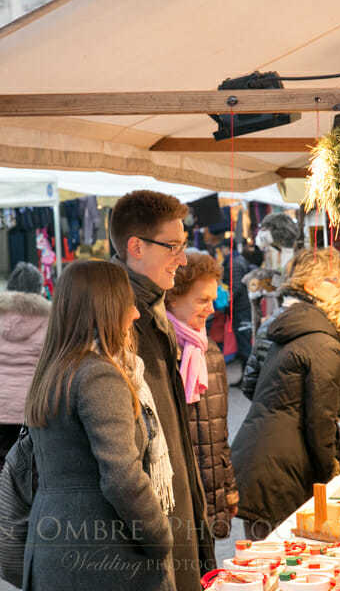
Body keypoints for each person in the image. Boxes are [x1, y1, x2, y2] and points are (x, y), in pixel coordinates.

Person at [23, 261, 174, 591]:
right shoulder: (98, 375)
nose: (135, 314)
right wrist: (160, 535)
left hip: (55, 541)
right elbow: (122, 477)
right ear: (105, 307)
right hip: (101, 550)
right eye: (128, 303)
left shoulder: (56, 369)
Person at [110, 190, 216, 590]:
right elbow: (120, 462)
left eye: (183, 245)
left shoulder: (152, 310)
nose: (183, 258)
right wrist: (157, 532)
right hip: (152, 527)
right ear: (136, 247)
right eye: (173, 246)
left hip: (175, 506)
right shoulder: (119, 319)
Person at [231, 282, 340, 540]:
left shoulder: (305, 332)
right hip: (279, 470)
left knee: (263, 552)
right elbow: (320, 420)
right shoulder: (326, 347)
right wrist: (330, 474)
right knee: (276, 556)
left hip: (262, 457)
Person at [166, 250, 239, 540]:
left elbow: (218, 432)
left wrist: (229, 489)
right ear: (172, 297)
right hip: (176, 498)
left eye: (213, 299)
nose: (211, 309)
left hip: (208, 491)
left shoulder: (209, 352)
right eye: (202, 300)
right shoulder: (158, 352)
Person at [0, 262, 50, 460]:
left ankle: (0, 492)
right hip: (34, 407)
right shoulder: (50, 321)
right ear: (38, 288)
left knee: (1, 465)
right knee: (34, 469)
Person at [242, 247, 340, 400]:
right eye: (335, 279)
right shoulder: (310, 325)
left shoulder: (281, 320)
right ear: (311, 286)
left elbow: (251, 385)